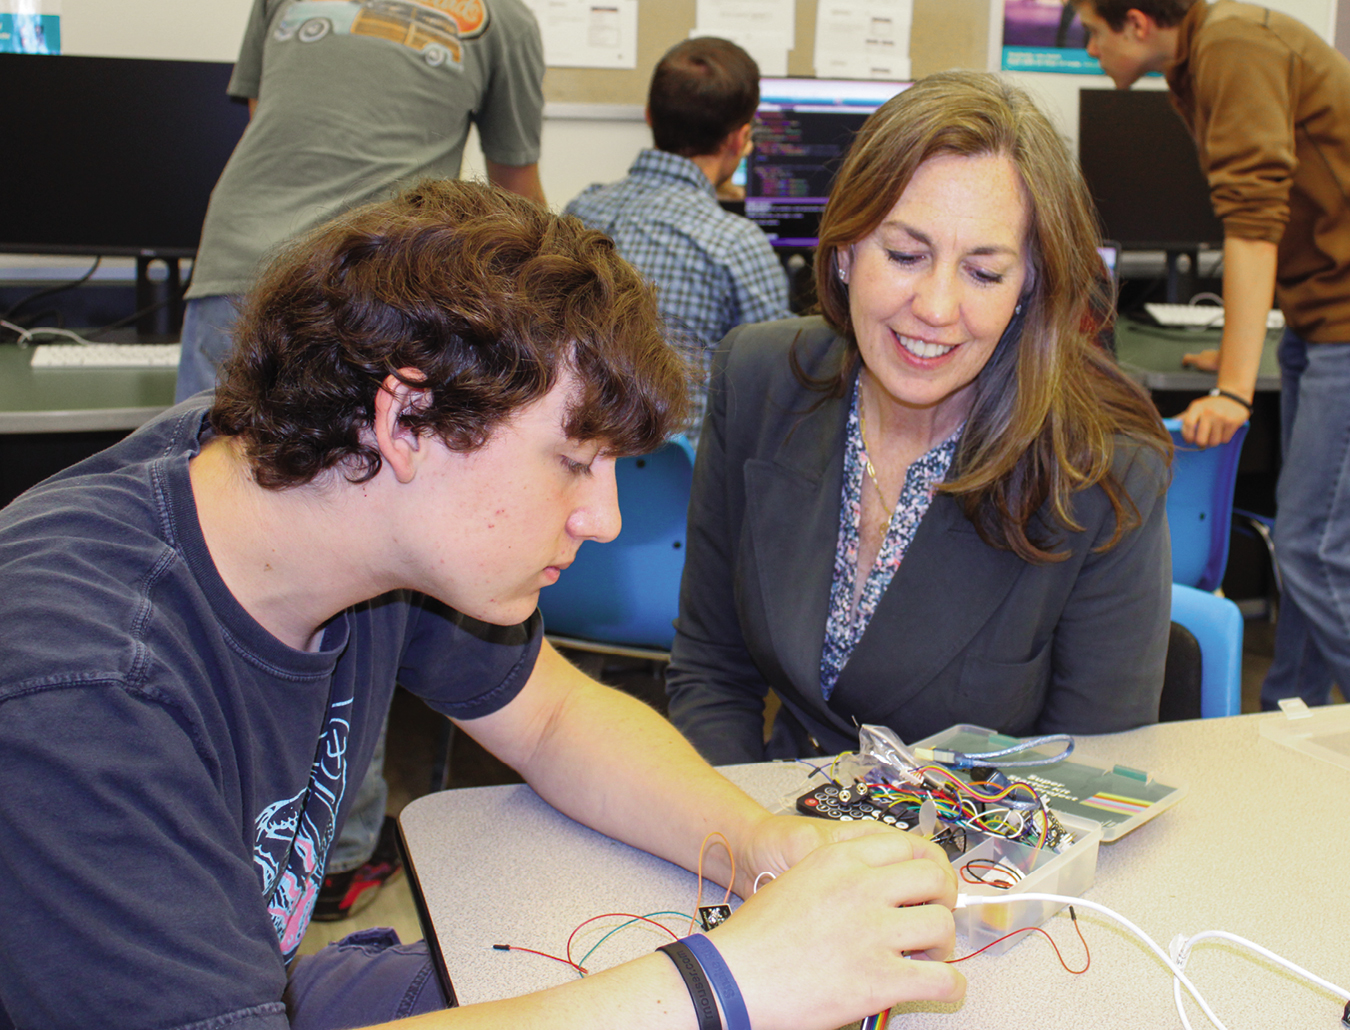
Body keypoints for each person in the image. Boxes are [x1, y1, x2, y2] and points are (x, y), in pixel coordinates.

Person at [0, 180, 965, 1030]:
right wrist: (731, 981)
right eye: (574, 463)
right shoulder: (80, 690)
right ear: (407, 418)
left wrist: (764, 844)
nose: (603, 517)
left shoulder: (329, 494)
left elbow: (550, 717)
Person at [666, 72, 1173, 765]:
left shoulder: (1104, 468)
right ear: (845, 249)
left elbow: (1083, 777)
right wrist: (747, 836)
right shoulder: (758, 378)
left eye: (984, 273)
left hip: (975, 855)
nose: (936, 308)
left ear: (1029, 287)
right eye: (905, 255)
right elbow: (711, 670)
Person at [175, 0, 548, 911]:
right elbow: (515, 196)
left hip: (250, 270)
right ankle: (333, 852)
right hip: (350, 298)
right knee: (347, 552)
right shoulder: (499, 19)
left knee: (230, 556)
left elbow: (270, 131)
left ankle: (235, 836)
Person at [1072, 0, 1350, 708]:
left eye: (1092, 31)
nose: (1089, 48)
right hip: (1320, 319)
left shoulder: (1231, 45)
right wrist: (1232, 351)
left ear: (1135, 21)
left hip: (1342, 324)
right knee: (1311, 548)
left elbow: (1253, 225)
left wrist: (1233, 388)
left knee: (1315, 554)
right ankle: (1288, 722)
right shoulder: (1197, 61)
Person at [565, 36, 792, 444]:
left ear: (650, 116)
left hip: (586, 464)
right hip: (686, 487)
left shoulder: (580, 214)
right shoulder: (735, 243)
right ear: (740, 139)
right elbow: (781, 378)